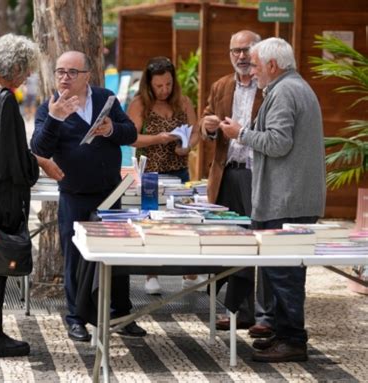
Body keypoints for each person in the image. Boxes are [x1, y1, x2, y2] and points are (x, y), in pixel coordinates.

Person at [220, 37, 326, 362]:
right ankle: (283, 334)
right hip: (289, 198)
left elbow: (279, 143)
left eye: (254, 64)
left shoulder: (283, 91)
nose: (251, 71)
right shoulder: (292, 87)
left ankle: (293, 340)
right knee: (283, 271)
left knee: (285, 274)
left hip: (286, 201)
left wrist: (240, 133)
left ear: (271, 65)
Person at [31, 50, 146, 342]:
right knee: (75, 256)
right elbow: (40, 148)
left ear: (87, 77)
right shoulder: (50, 107)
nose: (64, 78)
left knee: (117, 255)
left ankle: (121, 314)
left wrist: (111, 130)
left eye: (72, 72)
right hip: (74, 193)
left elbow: (130, 133)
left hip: (109, 193)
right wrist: (56, 119)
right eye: (60, 72)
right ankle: (76, 318)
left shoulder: (105, 98)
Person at [0, 34, 64, 359]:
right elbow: (10, 160)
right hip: (1, 194)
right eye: (26, 71)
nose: (26, 78)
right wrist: (37, 165)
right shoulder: (3, 98)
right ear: (15, 67)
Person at [200, 30, 274, 339]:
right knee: (232, 243)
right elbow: (205, 122)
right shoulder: (221, 85)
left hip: (260, 175)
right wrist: (208, 127)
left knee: (264, 244)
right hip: (227, 174)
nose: (241, 56)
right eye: (235, 51)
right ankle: (238, 311)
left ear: (257, 52)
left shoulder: (269, 87)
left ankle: (266, 316)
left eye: (246, 50)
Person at [127, 56, 203, 295]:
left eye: (168, 84)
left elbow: (195, 131)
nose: (164, 90)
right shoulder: (140, 104)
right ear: (149, 85)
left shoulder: (183, 102)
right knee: (151, 222)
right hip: (150, 172)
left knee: (183, 221)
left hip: (178, 171)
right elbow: (131, 137)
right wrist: (158, 138)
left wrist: (187, 146)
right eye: (159, 86)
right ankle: (151, 273)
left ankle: (188, 273)